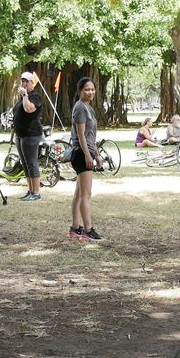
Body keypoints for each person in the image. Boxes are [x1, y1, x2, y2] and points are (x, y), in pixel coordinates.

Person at [69, 77, 104, 242]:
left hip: (87, 152)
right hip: (81, 155)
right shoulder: (80, 108)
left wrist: (96, 154)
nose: (90, 92)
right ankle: (88, 230)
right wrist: (88, 155)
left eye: (92, 89)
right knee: (86, 195)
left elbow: (91, 136)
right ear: (80, 91)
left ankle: (75, 228)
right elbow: (81, 135)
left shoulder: (88, 108)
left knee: (79, 194)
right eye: (86, 90)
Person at [13, 71, 44, 201]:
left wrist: (25, 94)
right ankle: (30, 190)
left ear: (32, 83)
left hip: (31, 134)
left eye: (27, 81)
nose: (24, 83)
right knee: (25, 164)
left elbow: (28, 109)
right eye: (23, 81)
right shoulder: (23, 97)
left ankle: (36, 192)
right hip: (20, 135)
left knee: (32, 163)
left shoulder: (35, 96)